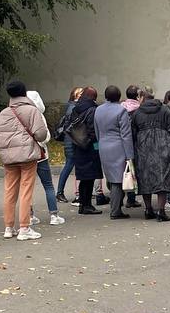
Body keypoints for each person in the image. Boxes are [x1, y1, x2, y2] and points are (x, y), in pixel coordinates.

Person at [0, 80, 50, 240]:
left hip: (9, 157)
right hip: (27, 155)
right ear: (24, 92)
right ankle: (24, 227)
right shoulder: (32, 110)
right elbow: (41, 134)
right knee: (26, 191)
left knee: (9, 191)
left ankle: (8, 227)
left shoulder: (3, 113)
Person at [131, 88, 170, 220]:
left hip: (143, 148)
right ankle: (161, 211)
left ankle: (148, 209)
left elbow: (133, 132)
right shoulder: (164, 110)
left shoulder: (137, 113)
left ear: (143, 98)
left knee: (145, 179)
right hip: (163, 146)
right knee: (162, 179)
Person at [93, 85, 135, 219]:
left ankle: (115, 206)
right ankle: (115, 210)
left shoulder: (98, 109)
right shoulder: (121, 111)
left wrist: (100, 144)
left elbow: (96, 130)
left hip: (104, 145)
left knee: (111, 176)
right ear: (119, 96)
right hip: (118, 147)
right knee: (118, 180)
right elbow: (126, 135)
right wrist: (130, 155)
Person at [26, 90, 66, 226]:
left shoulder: (20, 114)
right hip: (41, 154)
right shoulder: (39, 115)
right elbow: (46, 137)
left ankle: (30, 216)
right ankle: (54, 215)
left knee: (27, 187)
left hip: (25, 155)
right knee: (48, 184)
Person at [68, 87, 104, 215]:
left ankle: (82, 204)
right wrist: (96, 143)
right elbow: (93, 130)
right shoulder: (92, 110)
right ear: (94, 97)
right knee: (90, 177)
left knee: (83, 177)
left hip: (78, 144)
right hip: (89, 146)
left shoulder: (75, 108)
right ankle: (87, 205)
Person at [54, 88, 83, 202]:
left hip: (70, 140)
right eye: (80, 93)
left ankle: (69, 192)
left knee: (70, 165)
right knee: (69, 166)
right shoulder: (73, 108)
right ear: (75, 95)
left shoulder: (71, 106)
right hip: (71, 141)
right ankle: (60, 192)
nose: (82, 95)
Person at [121, 86, 143, 208]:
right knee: (135, 170)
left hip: (123, 142)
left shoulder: (121, 107)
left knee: (126, 169)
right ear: (138, 96)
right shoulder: (139, 110)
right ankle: (132, 197)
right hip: (136, 142)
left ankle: (125, 196)